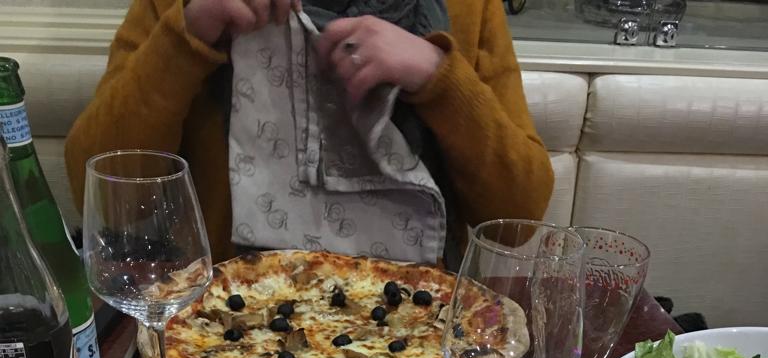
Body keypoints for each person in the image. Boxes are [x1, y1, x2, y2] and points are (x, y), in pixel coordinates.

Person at [65, 0, 554, 265]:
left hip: (424, 340)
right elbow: (103, 200)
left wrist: (436, 75)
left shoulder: (469, 8)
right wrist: (187, 34)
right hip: (223, 335)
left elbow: (517, 220)